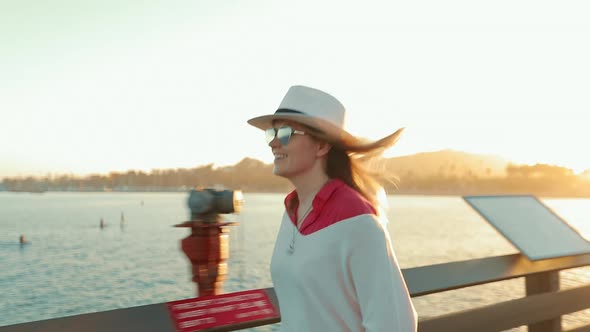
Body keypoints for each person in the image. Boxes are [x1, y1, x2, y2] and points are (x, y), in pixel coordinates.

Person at [247, 85, 417, 331]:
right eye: (271, 133)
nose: (273, 143)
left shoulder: (358, 221)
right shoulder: (292, 212)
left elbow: (397, 324)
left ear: (321, 146)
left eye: (284, 133)